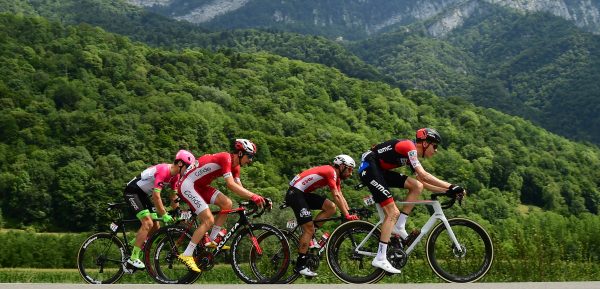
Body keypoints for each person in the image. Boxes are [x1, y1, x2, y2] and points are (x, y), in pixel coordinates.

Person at [357, 128, 466, 274]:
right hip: (370, 168)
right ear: (426, 143)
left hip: (379, 170)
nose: (436, 151)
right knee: (392, 212)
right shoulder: (409, 147)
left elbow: (423, 182)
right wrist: (452, 186)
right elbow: (424, 175)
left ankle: (400, 226)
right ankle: (380, 257)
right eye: (435, 146)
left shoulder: (410, 154)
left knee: (416, 186)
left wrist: (447, 191)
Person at [177, 139, 267, 272]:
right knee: (208, 220)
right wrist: (254, 196)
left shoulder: (236, 167)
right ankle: (187, 254)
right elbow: (230, 185)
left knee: (227, 203)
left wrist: (257, 198)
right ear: (241, 153)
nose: (251, 160)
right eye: (250, 156)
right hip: (187, 185)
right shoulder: (226, 158)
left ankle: (212, 240)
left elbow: (239, 187)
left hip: (200, 186)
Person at [284, 154, 359, 277]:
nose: (350, 173)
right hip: (295, 193)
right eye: (350, 169)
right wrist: (346, 215)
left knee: (331, 207)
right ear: (341, 166)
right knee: (308, 228)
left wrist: (349, 213)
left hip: (302, 194)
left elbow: (340, 196)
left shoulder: (337, 177)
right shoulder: (330, 171)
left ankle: (310, 233)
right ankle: (300, 265)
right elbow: (335, 195)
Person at [123, 149, 196, 269]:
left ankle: (136, 243)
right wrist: (164, 214)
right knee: (147, 222)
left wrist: (177, 211)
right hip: (132, 192)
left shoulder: (175, 176)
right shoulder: (164, 171)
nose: (187, 171)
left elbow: (173, 196)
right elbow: (156, 196)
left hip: (142, 194)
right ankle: (133, 257)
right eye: (187, 167)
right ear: (180, 164)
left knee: (156, 226)